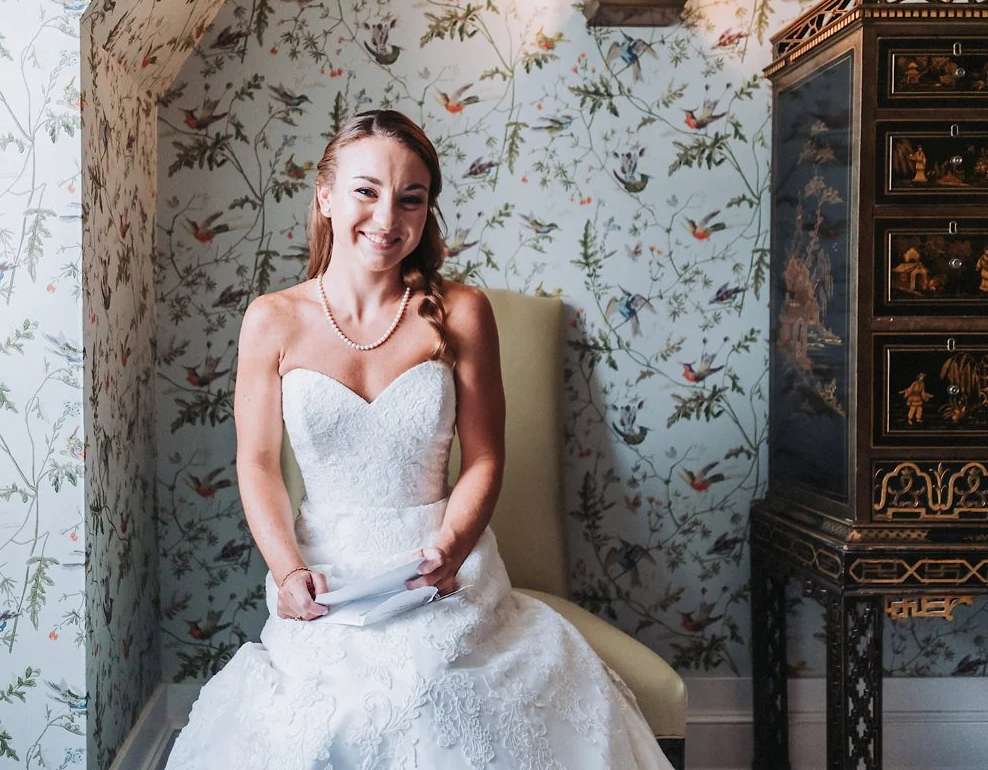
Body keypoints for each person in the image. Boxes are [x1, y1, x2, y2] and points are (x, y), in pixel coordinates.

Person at [165, 110, 672, 769]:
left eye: (411, 198)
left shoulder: (462, 311)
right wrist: (288, 572)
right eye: (366, 191)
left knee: (429, 692)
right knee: (325, 717)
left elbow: (485, 456)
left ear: (427, 210)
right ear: (326, 196)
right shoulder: (272, 319)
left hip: (439, 564)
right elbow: (257, 463)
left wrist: (451, 549)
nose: (387, 218)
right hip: (327, 571)